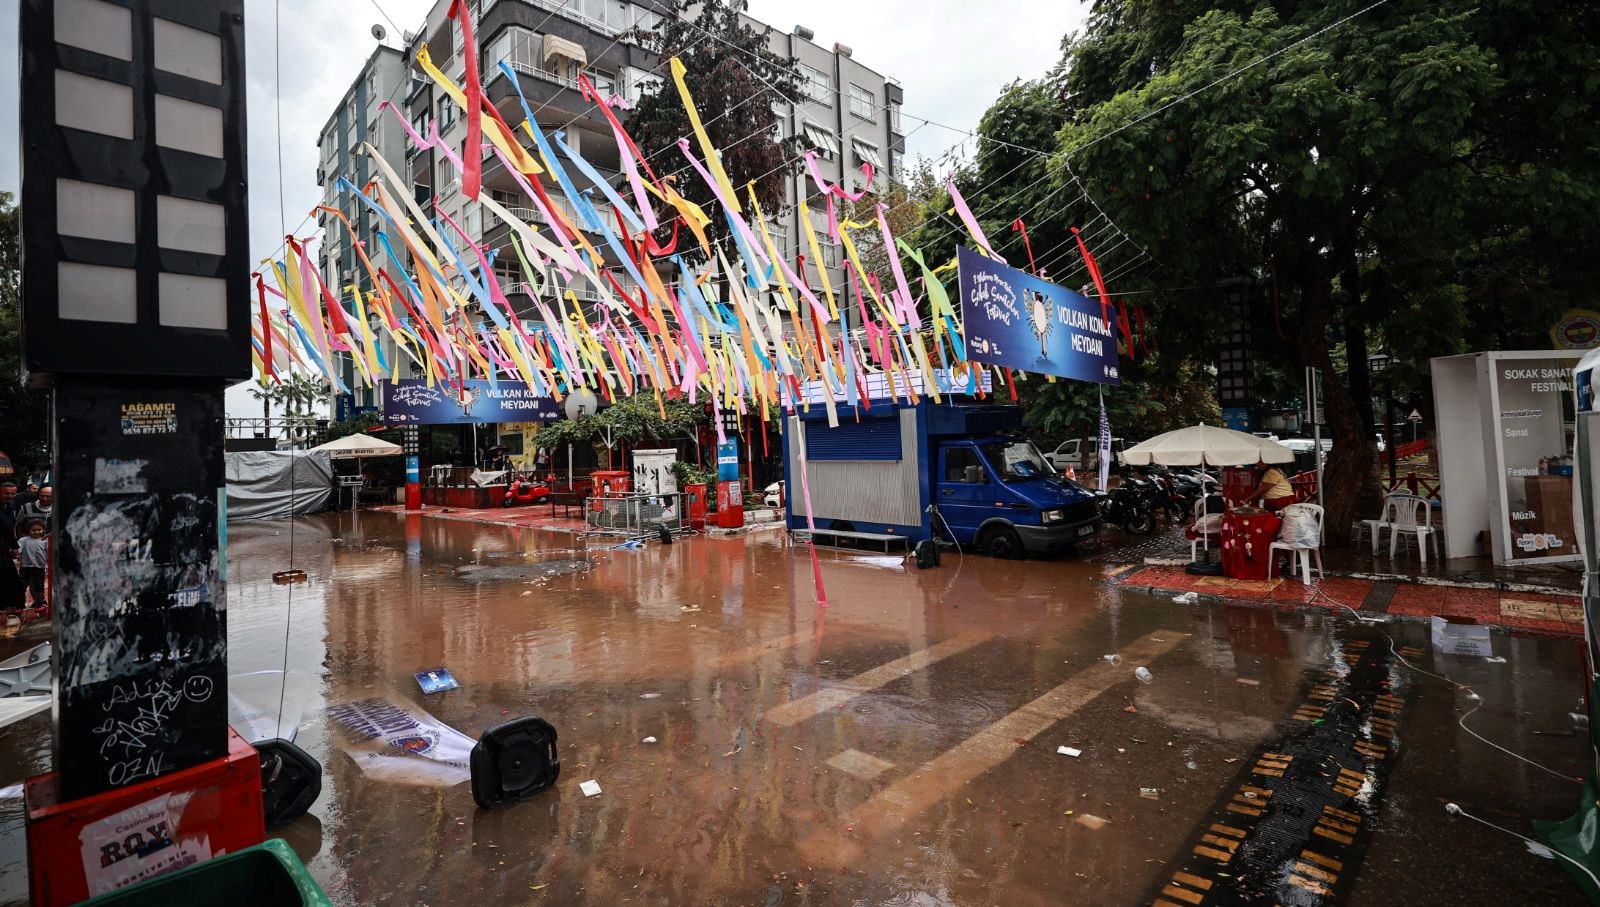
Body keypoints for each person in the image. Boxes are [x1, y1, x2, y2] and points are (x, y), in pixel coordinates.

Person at [0, 482, 23, 611]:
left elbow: (11, 527)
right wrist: (14, 546)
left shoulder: (13, 505)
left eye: (12, 493)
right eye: (6, 493)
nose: (9, 496)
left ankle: (10, 609)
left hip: (5, 548)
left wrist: (13, 547)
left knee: (10, 579)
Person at [17, 520, 48, 610]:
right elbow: (18, 548)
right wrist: (15, 551)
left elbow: (48, 553)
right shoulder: (24, 540)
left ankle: (41, 602)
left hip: (39, 567)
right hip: (25, 567)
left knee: (39, 585)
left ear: (43, 530)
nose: (36, 532)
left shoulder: (45, 540)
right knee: (22, 585)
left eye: (39, 530)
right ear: (29, 530)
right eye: (33, 530)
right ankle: (19, 603)